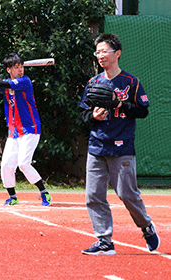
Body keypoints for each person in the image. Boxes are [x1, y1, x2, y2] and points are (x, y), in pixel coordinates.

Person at [79, 33, 159, 255]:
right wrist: (92, 116)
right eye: (97, 52)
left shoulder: (131, 82)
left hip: (122, 146)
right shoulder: (93, 83)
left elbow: (142, 111)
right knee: (93, 195)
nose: (100, 56)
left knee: (127, 194)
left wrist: (119, 103)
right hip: (97, 145)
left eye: (104, 51)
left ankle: (146, 226)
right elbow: (83, 114)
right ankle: (104, 240)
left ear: (117, 53)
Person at [0, 53, 52, 206]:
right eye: (16, 68)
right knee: (6, 165)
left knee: (24, 164)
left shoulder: (24, 81)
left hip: (30, 129)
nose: (21, 70)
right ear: (9, 70)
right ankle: (12, 197)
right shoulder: (7, 84)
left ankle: (44, 192)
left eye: (21, 67)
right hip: (14, 132)